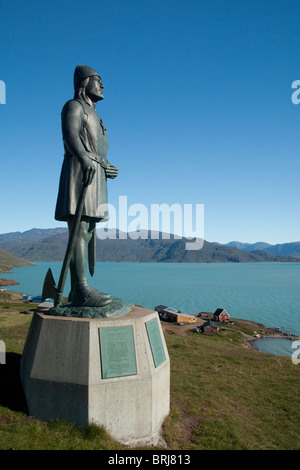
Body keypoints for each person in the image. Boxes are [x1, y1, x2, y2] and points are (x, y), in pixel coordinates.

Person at [54, 65, 118, 307]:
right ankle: (80, 290)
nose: (102, 85)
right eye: (97, 80)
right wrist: (82, 157)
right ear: (83, 82)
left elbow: (97, 148)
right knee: (79, 231)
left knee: (88, 229)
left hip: (96, 173)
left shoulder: (97, 115)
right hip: (79, 172)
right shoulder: (74, 107)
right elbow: (70, 136)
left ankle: (81, 288)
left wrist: (106, 165)